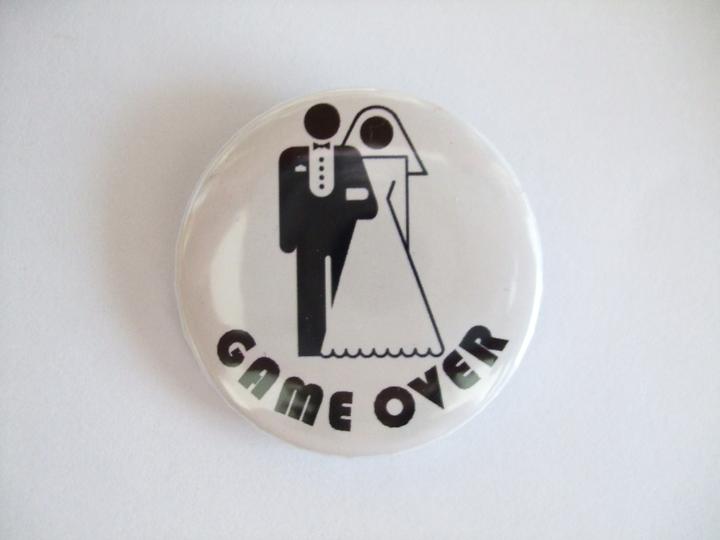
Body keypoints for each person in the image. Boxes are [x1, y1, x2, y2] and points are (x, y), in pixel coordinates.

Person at [320, 106, 444, 358]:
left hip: (368, 228)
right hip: (374, 227)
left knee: (373, 277)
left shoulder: (364, 164)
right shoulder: (390, 164)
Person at [279, 103, 377, 356]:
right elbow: (285, 199)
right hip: (306, 237)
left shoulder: (350, 155)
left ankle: (341, 349)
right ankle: (309, 349)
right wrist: (287, 239)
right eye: (317, 124)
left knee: (343, 294)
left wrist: (345, 208)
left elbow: (370, 204)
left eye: (326, 124)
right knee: (308, 294)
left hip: (341, 234)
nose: (322, 130)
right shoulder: (291, 157)